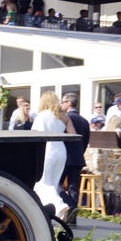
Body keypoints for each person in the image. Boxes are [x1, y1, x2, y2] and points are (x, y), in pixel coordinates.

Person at [31, 91, 75, 219]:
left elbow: (33, 134)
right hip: (61, 149)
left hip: (46, 149)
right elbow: (73, 134)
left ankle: (60, 206)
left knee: (43, 183)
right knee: (53, 184)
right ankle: (53, 213)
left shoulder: (42, 116)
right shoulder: (64, 116)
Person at [59, 92, 89, 222]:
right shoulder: (84, 121)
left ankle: (70, 206)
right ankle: (73, 218)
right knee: (73, 187)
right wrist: (80, 153)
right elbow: (86, 141)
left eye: (63, 102)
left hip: (64, 157)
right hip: (77, 158)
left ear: (69, 103)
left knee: (56, 184)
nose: (61, 105)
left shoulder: (64, 118)